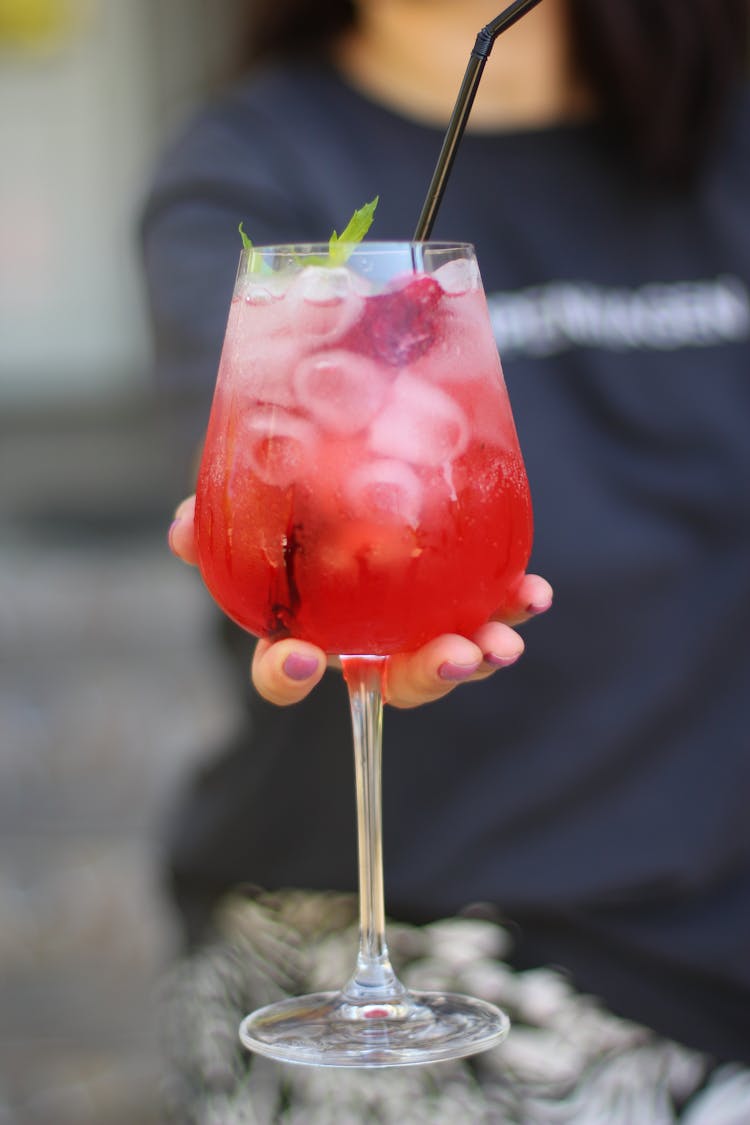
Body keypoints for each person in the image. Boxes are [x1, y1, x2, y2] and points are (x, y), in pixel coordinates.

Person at [142, 0, 750, 1117]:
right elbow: (267, 488)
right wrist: (284, 573)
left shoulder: (726, 145)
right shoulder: (251, 155)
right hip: (432, 922)